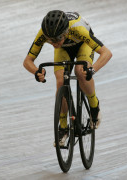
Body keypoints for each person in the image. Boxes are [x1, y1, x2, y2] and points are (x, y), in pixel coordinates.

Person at [23, 10, 112, 144]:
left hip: (83, 45)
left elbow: (106, 53)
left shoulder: (78, 29)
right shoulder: (44, 33)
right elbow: (27, 61)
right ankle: (63, 127)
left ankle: (94, 106)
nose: (54, 43)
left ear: (65, 32)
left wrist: (92, 70)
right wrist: (36, 72)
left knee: (80, 71)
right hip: (64, 50)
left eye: (57, 39)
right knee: (60, 81)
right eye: (50, 40)